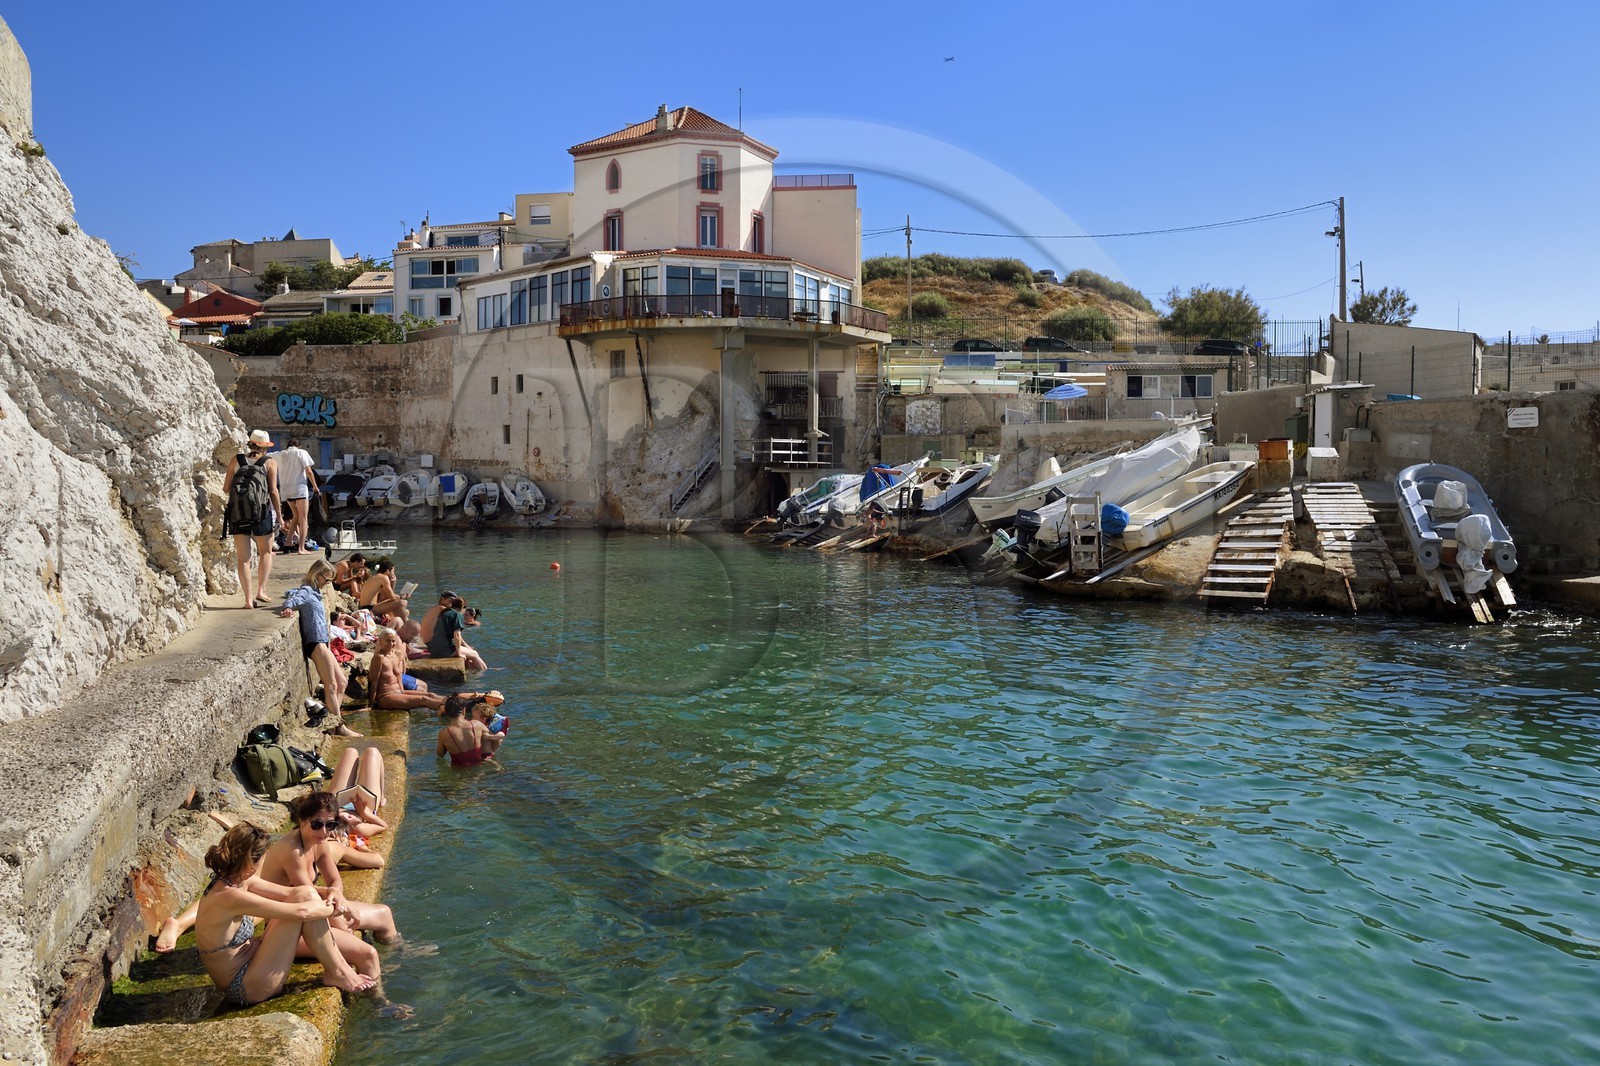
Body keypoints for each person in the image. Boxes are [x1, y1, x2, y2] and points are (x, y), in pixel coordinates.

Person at [192, 822, 375, 1006]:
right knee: (305, 903)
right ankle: (338, 972)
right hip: (246, 986)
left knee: (305, 893)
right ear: (251, 861)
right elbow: (302, 912)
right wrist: (338, 908)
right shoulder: (228, 896)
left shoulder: (235, 880)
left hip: (256, 961)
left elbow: (296, 892)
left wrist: (333, 894)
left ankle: (338, 970)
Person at [258, 792, 400, 951]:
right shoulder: (292, 850)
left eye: (330, 825)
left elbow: (335, 880)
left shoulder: (319, 841)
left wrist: (338, 897)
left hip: (317, 912)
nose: (324, 831)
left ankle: (397, 956)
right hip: (286, 926)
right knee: (361, 947)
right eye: (317, 824)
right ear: (302, 820)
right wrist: (340, 919)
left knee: (384, 914)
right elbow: (307, 894)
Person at [280, 560, 360, 738]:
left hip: (323, 642)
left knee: (342, 682)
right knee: (331, 685)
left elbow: (292, 592)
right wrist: (287, 608)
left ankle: (332, 722)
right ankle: (339, 726)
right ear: (317, 574)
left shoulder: (315, 592)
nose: (328, 583)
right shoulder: (308, 590)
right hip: (315, 642)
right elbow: (293, 600)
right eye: (328, 579)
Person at [223, 430, 283, 609]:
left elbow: (226, 489)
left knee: (243, 559)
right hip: (261, 513)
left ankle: (248, 600)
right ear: (265, 446)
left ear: (250, 444)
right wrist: (279, 515)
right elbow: (273, 491)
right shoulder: (269, 462)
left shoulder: (236, 460)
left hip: (238, 514)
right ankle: (261, 591)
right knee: (265, 552)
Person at [368, 629, 445, 711]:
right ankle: (452, 709)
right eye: (387, 641)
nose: (391, 644)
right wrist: (371, 705)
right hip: (386, 696)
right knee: (424, 699)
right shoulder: (379, 658)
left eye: (393, 641)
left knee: (430, 695)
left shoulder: (395, 654)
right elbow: (374, 682)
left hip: (399, 692)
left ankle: (455, 701)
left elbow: (399, 677)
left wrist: (402, 691)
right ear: (380, 641)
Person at [328, 745, 389, 846]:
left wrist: (335, 812)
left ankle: (381, 797)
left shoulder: (322, 830)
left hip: (336, 803)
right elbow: (383, 826)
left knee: (350, 751)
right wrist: (364, 813)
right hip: (363, 808)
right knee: (372, 752)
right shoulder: (357, 830)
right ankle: (381, 797)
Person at [276, 437, 318, 554]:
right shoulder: (301, 452)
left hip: (286, 490)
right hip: (299, 489)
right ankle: (301, 548)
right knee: (303, 519)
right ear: (298, 445)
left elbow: (267, 456)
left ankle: (288, 543)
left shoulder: (281, 454)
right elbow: (308, 470)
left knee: (295, 516)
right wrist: (315, 486)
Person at [436, 694, 501, 767]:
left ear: (446, 713)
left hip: (458, 771)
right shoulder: (477, 725)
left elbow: (440, 754)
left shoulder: (444, 733)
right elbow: (496, 738)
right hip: (479, 766)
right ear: (464, 711)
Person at [426, 595, 486, 670]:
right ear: (462, 607)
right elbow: (457, 635)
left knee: (468, 656)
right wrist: (459, 652)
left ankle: (473, 672)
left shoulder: (445, 612)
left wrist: (466, 646)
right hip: (445, 650)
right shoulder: (455, 615)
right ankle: (485, 672)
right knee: (475, 654)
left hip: (433, 648)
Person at [358, 559, 410, 623]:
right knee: (402, 602)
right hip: (369, 609)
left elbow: (387, 597)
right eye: (393, 571)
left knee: (403, 607)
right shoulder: (384, 577)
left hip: (367, 607)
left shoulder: (377, 577)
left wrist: (393, 582)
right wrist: (402, 596)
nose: (393, 573)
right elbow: (392, 597)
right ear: (388, 571)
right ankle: (405, 625)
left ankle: (402, 624)